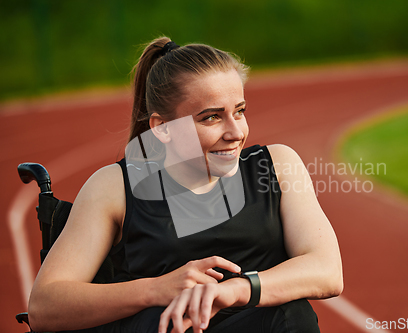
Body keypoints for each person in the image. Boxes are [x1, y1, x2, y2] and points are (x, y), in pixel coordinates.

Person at [28, 37, 343, 333]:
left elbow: (327, 270)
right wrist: (157, 289)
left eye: (240, 111)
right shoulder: (116, 187)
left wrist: (235, 290)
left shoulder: (276, 165)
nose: (236, 131)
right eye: (211, 118)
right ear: (162, 128)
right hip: (167, 324)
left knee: (291, 314)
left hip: (253, 320)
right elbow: (45, 306)